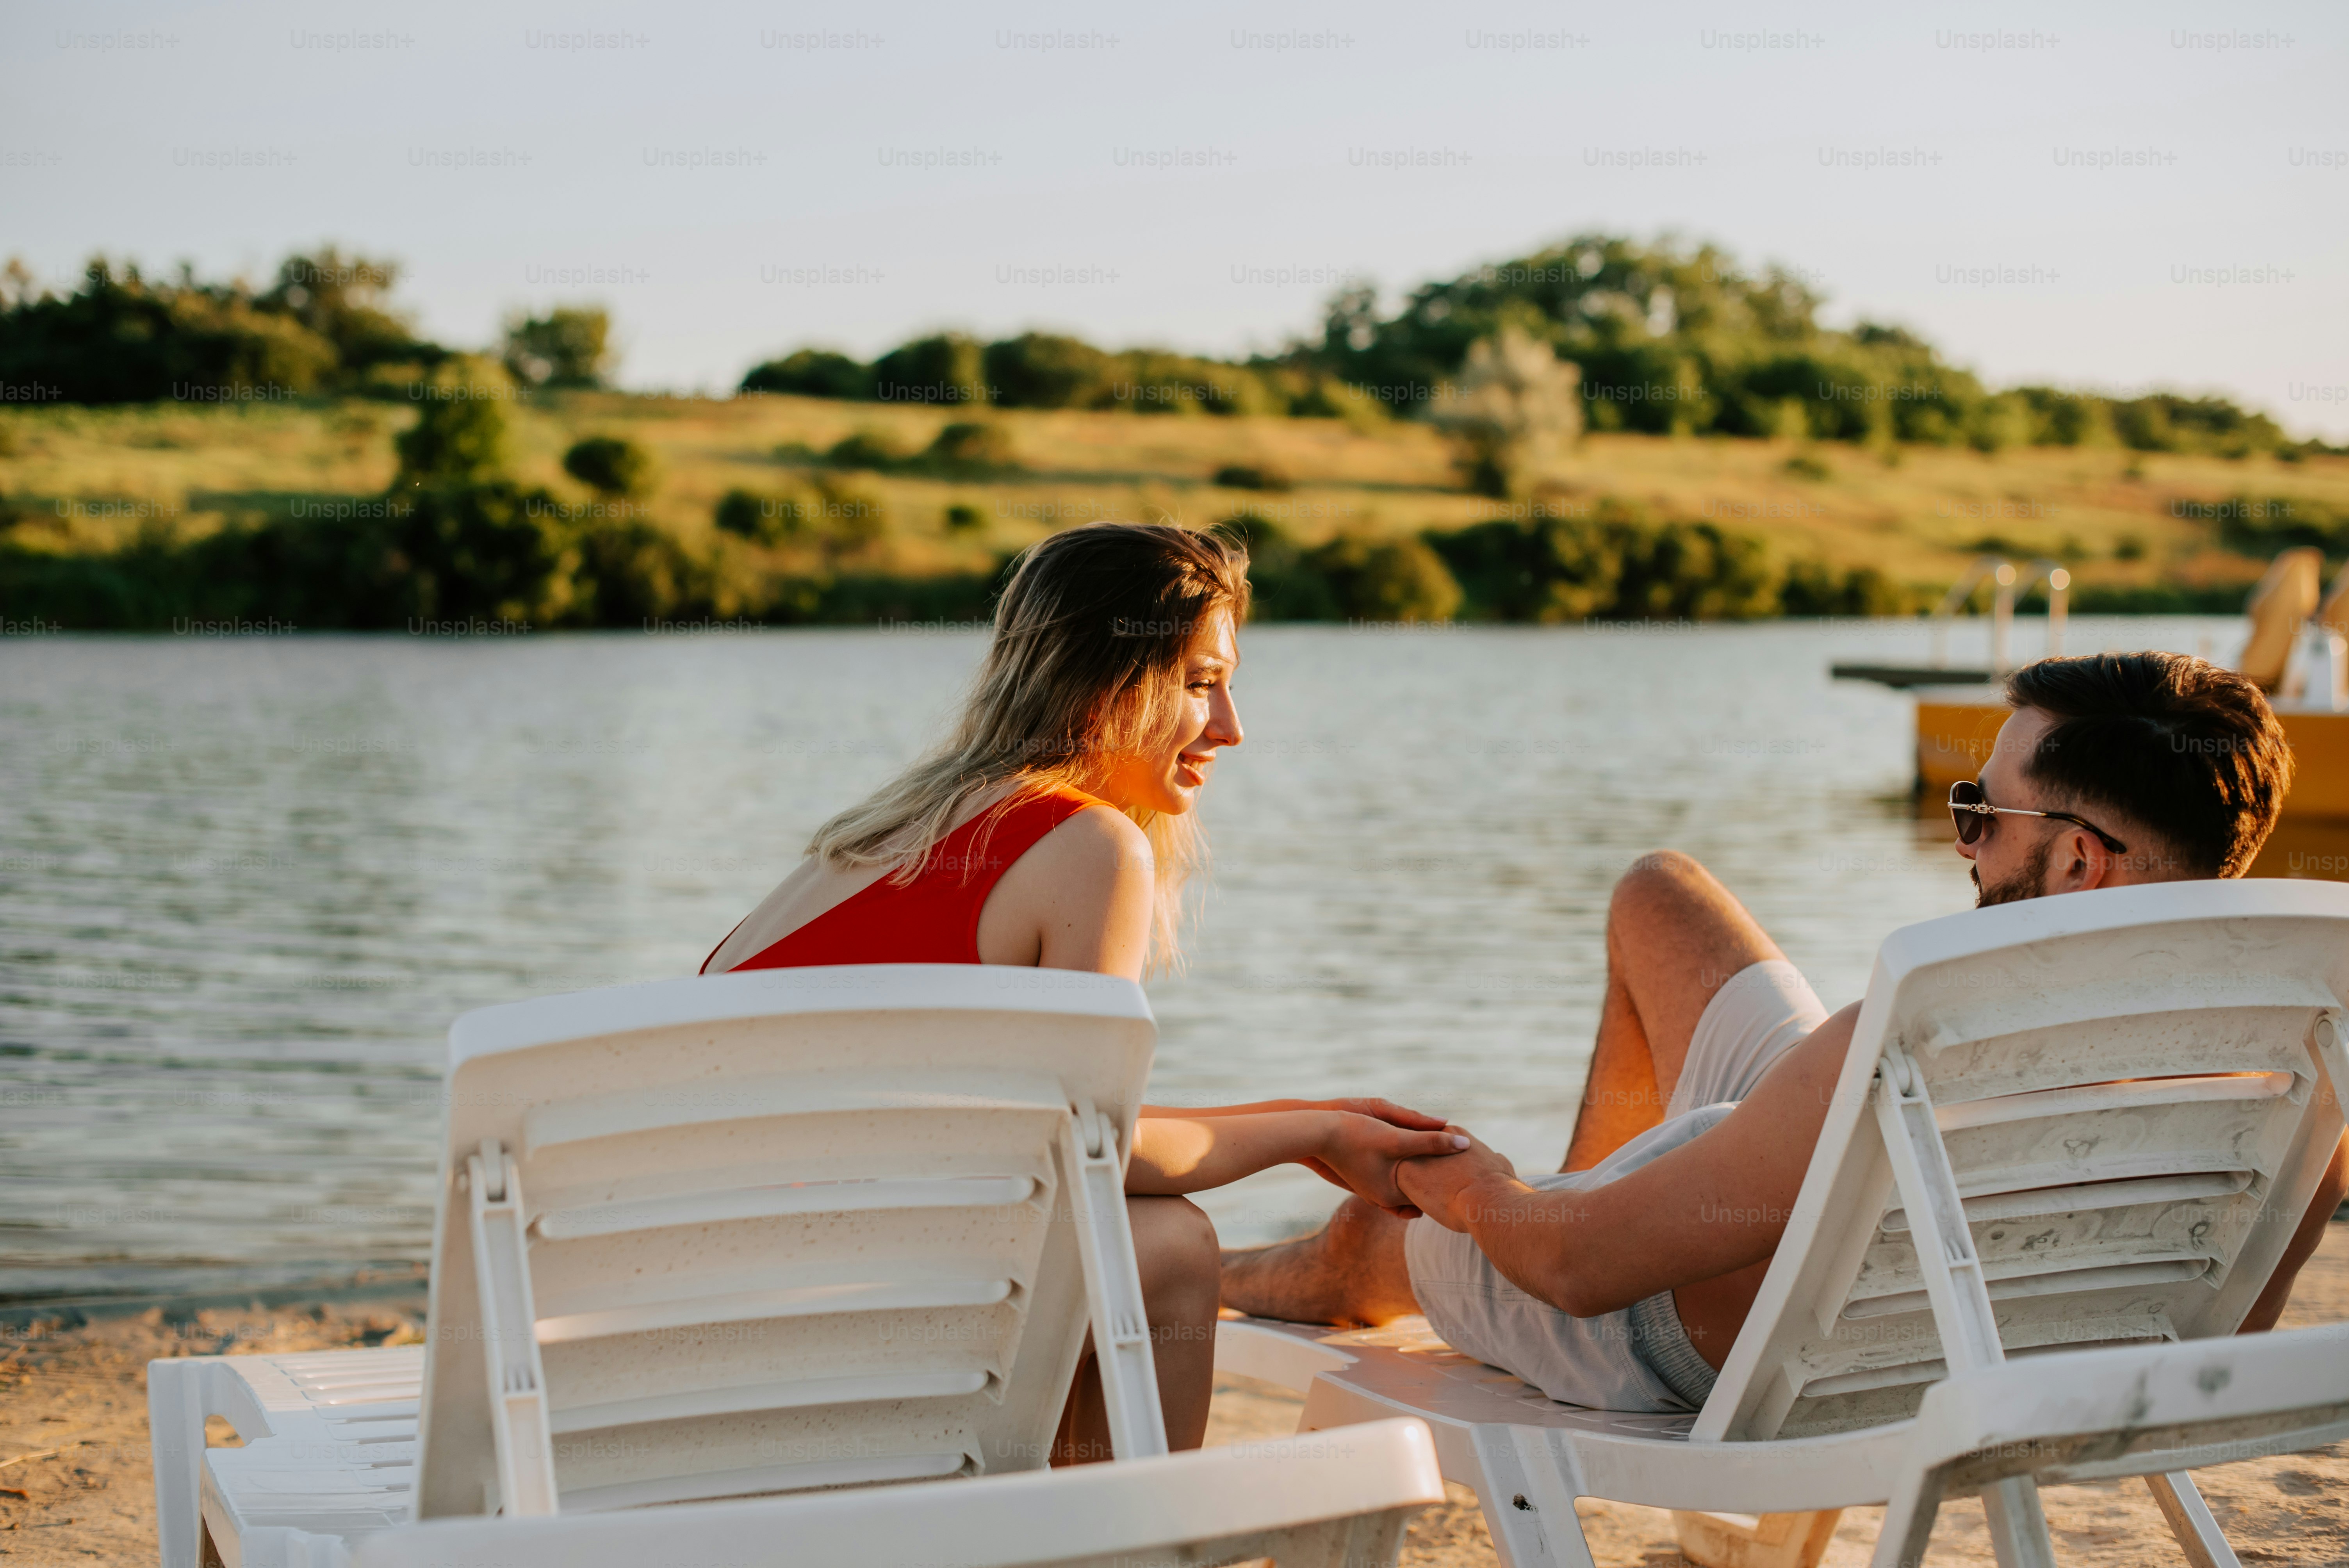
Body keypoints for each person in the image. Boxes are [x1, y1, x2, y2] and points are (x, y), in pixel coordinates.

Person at [1222, 651, 2348, 1413]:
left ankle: (1164, 1272)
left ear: (2074, 858)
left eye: (1980, 815)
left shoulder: (1912, 1043)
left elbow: (1576, 1267)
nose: (1965, 845)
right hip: (1842, 1221)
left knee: (1361, 1243)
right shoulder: (2310, 1060)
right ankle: (1607, 1178)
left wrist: (1465, 1185)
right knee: (1659, 896)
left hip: (1687, 1331)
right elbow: (2230, 1333)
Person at [702, 520, 1465, 1459]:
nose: (1229, 727)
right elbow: (1093, 1151)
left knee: (1089, 1233)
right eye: (1198, 683)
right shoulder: (1084, 844)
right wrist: (1313, 1132)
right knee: (1168, 1243)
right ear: (1108, 682)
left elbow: (1051, 1131)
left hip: (708, 1303)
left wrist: (1313, 1117)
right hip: (831, 1324)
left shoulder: (862, 844)